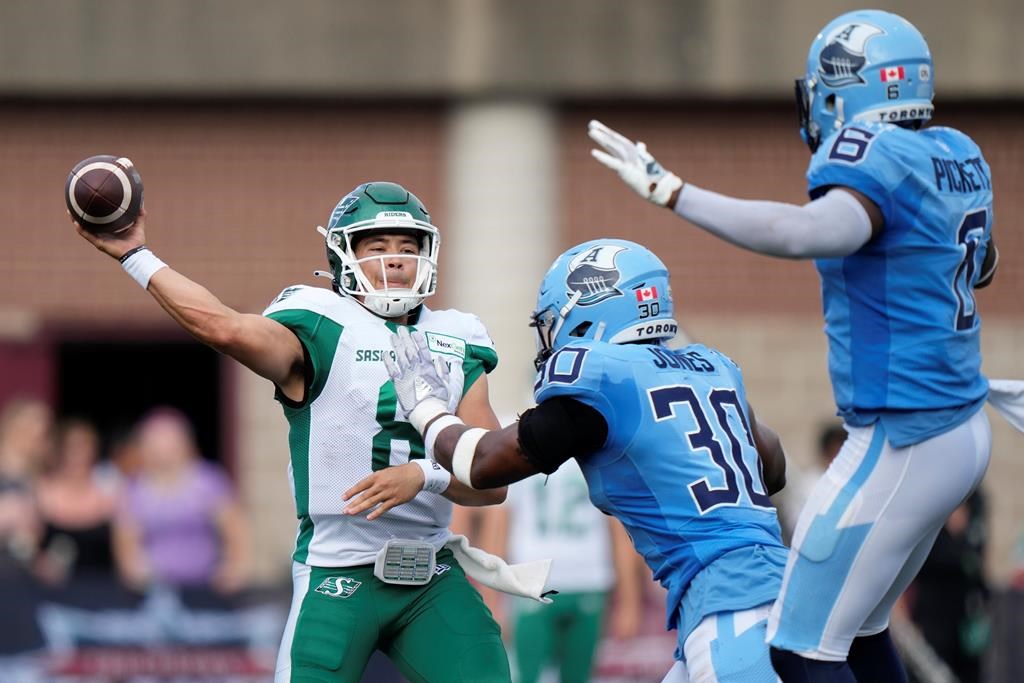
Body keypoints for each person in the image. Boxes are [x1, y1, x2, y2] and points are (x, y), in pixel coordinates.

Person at [586, 9, 1004, 681]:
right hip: (961, 430)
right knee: (860, 632)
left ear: (846, 89)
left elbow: (805, 232)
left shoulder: (876, 154)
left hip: (903, 439)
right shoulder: (955, 152)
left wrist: (675, 193)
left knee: (797, 646)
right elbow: (980, 266)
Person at [72, 180, 512, 683]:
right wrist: (137, 256)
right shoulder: (320, 321)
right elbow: (226, 328)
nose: (395, 261)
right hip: (339, 570)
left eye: (408, 248)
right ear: (343, 256)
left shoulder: (458, 335)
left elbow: (491, 480)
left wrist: (423, 476)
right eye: (377, 247)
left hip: (431, 572)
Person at [379, 238, 789, 683]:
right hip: (768, 586)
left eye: (554, 321)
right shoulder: (710, 367)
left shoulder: (602, 379)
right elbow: (774, 467)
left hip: (731, 606)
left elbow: (482, 465)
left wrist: (426, 409)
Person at [484, 458, 646, 683]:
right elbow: (498, 525)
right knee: (526, 674)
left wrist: (630, 602)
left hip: (588, 580)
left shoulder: (597, 449)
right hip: (532, 583)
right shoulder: (517, 449)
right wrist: (491, 600)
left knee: (579, 676)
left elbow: (619, 531)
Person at [113, 408, 248, 592]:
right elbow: (126, 544)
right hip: (154, 591)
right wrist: (136, 575)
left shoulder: (209, 482)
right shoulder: (135, 489)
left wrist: (232, 570)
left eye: (169, 444)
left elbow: (235, 532)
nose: (163, 452)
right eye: (156, 444)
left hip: (206, 588)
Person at [35, 417, 118, 583]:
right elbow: (28, 547)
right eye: (72, 447)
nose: (79, 454)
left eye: (85, 446)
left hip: (103, 589)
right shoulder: (40, 491)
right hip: (52, 591)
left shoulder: (111, 488)